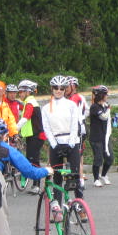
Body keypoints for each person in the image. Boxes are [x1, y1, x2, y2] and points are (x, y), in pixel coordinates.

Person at [41, 75, 83, 205]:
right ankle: (57, 206)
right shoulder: (46, 108)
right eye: (55, 88)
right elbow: (46, 128)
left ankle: (80, 206)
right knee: (57, 177)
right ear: (51, 89)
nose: (58, 90)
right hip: (56, 144)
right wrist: (54, 144)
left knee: (75, 176)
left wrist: (70, 143)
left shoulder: (71, 105)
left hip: (71, 142)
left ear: (65, 89)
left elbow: (74, 125)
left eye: (61, 88)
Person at [16, 79, 45, 194]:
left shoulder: (30, 103)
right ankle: (35, 183)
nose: (20, 94)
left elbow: (25, 118)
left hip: (35, 136)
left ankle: (37, 185)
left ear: (28, 92)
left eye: (21, 92)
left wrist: (14, 129)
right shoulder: (29, 102)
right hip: (32, 135)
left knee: (34, 160)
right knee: (32, 159)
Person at [88, 85, 114, 187]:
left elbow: (107, 119)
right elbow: (103, 117)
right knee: (98, 159)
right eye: (105, 94)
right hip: (96, 138)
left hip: (105, 137)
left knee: (110, 158)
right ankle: (95, 179)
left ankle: (103, 175)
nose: (107, 96)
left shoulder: (105, 105)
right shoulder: (94, 107)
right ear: (101, 95)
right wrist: (108, 109)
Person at [67, 77, 89, 184]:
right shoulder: (81, 97)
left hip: (77, 128)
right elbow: (87, 111)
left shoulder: (73, 99)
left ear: (73, 87)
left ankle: (80, 179)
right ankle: (80, 175)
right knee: (80, 153)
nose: (65, 89)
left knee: (76, 153)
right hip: (82, 126)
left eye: (67, 86)